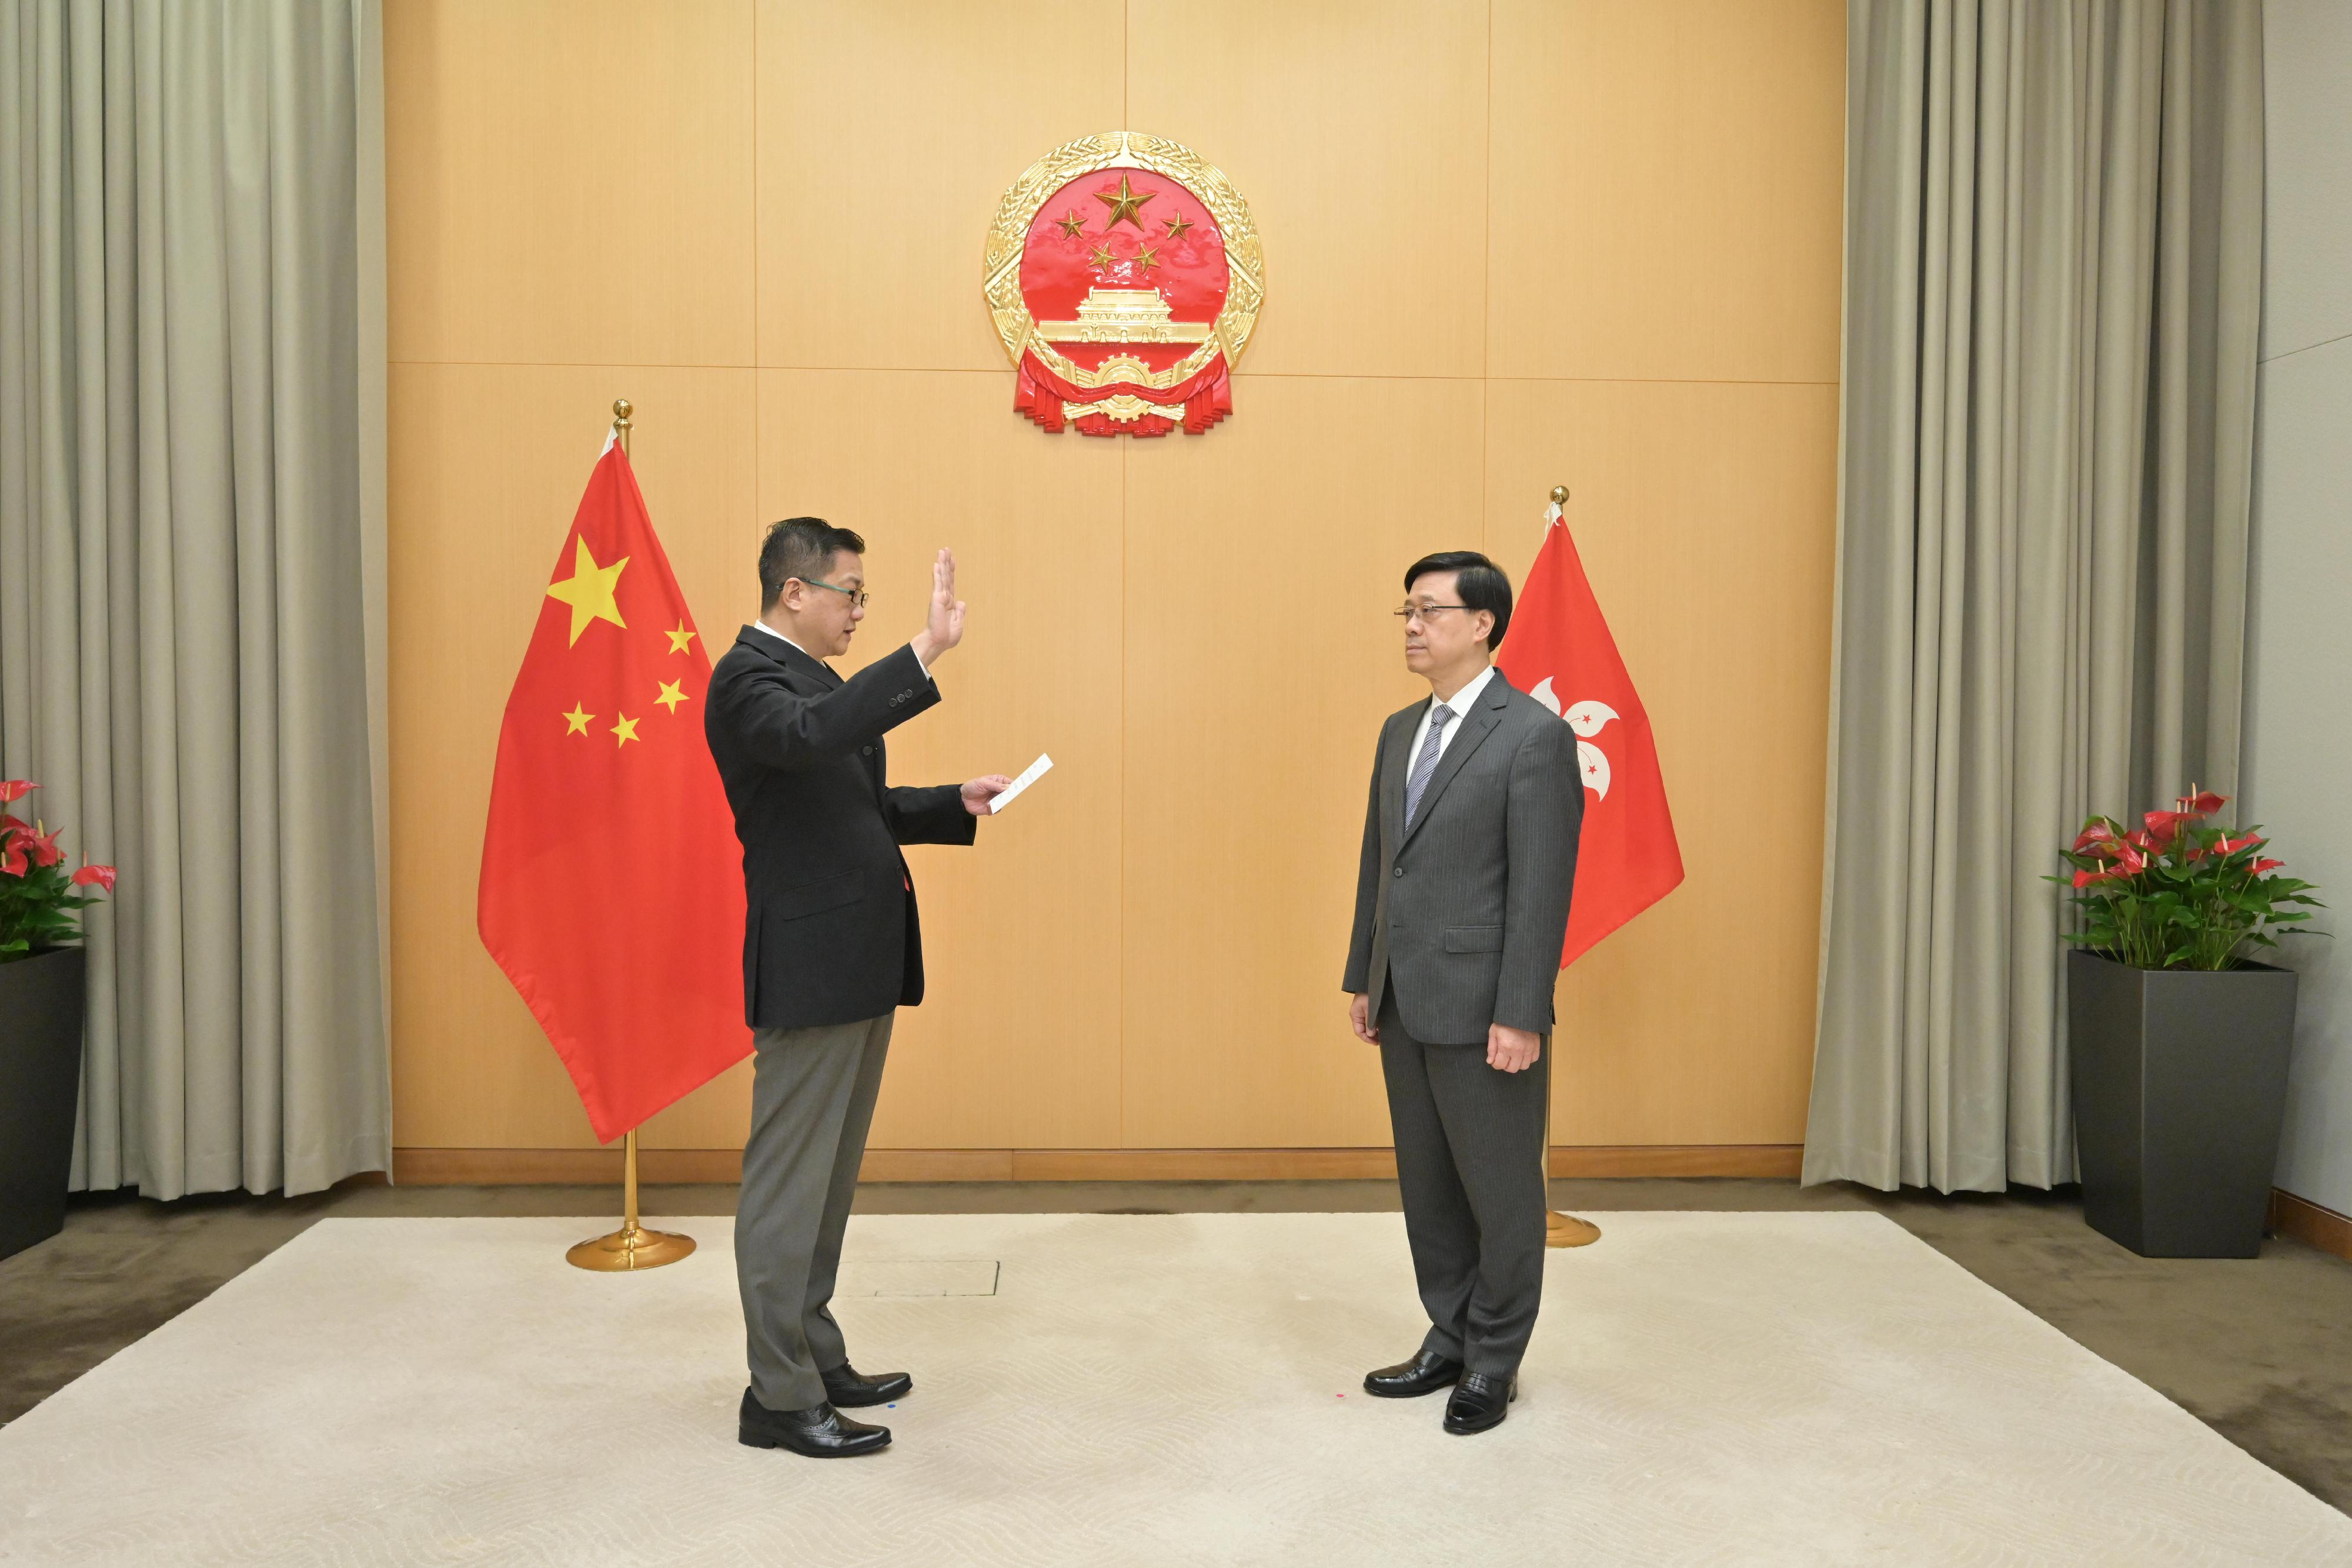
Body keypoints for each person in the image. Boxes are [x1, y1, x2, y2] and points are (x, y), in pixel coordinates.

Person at [705, 519, 1011, 1459]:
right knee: (787, 1188)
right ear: (794, 592)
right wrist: (920, 650)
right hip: (810, 966)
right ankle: (778, 1394)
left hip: (857, 960)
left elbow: (851, 805)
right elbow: (804, 744)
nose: (858, 613)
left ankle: (814, 1352)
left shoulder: (814, 681)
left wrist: (944, 803)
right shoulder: (749, 681)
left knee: (827, 1183)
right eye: (851, 595)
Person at [1341, 550, 1583, 1436]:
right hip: (1403, 994)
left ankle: (1494, 1361)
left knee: (1501, 1190)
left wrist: (1523, 1011)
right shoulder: (1400, 730)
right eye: (1405, 611)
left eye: (1429, 611)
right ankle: (1448, 1330)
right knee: (1430, 1186)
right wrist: (1362, 976)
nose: (1411, 626)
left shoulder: (1533, 736)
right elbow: (1382, 865)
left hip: (1487, 1008)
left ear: (1483, 624)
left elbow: (1543, 889)